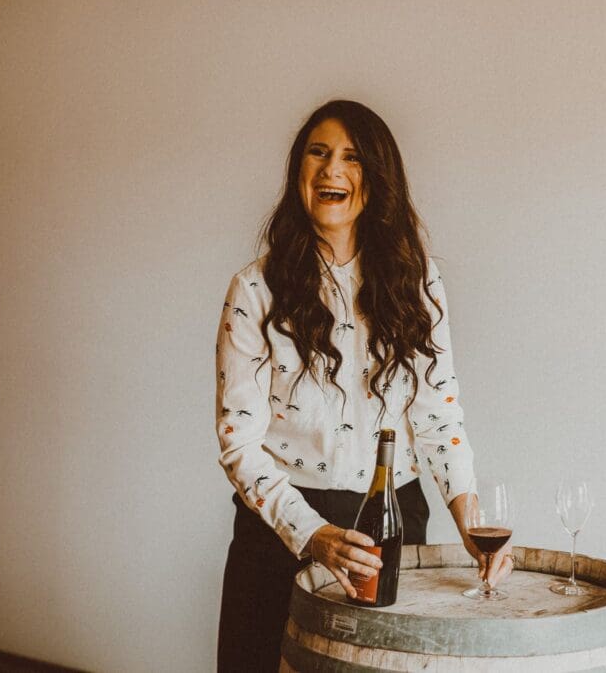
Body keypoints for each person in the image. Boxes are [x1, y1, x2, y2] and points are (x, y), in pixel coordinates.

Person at [215, 100, 512, 671]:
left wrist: (471, 526)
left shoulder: (416, 283)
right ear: (297, 172)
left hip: (394, 529)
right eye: (318, 153)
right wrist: (314, 533)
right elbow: (238, 442)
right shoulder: (254, 289)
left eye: (351, 158)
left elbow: (438, 420)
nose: (332, 170)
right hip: (278, 537)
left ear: (376, 180)